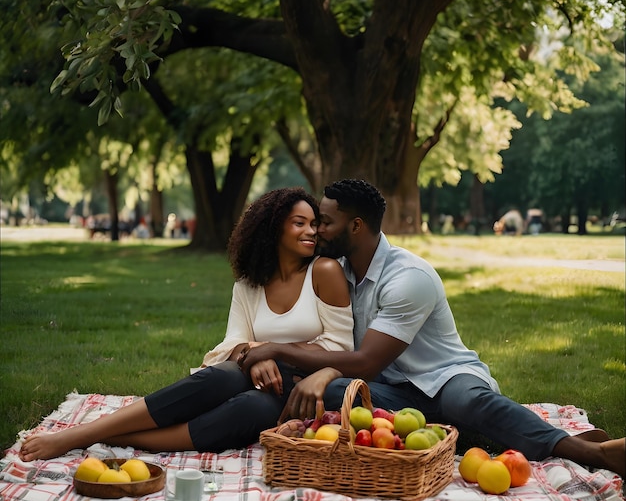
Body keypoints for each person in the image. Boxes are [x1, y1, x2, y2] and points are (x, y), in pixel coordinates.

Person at [239, 179, 625, 479]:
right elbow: (348, 357)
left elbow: (367, 361)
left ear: (355, 226)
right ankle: (483, 432)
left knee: (461, 402)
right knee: (339, 392)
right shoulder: (338, 273)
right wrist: (320, 370)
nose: (317, 230)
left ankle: (589, 453)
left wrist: (276, 349)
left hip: (445, 378)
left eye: (325, 221)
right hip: (394, 391)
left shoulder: (408, 277)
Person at [19, 188, 353, 461]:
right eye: (299, 223)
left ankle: (108, 435)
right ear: (273, 227)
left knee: (249, 408)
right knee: (219, 377)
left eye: (313, 224)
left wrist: (274, 352)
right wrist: (256, 354)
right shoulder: (248, 285)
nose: (311, 231)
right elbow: (227, 346)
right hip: (250, 376)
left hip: (302, 390)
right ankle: (82, 434)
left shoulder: (323, 272)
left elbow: (342, 347)